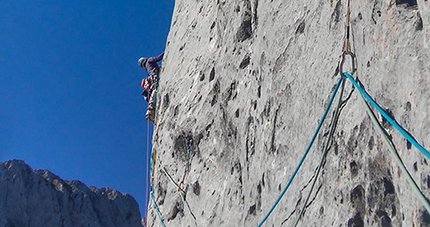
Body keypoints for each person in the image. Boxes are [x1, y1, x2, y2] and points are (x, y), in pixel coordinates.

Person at [138, 53, 164, 122]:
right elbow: (157, 58)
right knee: (155, 90)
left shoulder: (147, 68)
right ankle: (151, 107)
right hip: (155, 75)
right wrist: (165, 53)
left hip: (152, 78)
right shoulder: (149, 60)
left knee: (154, 91)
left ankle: (151, 108)